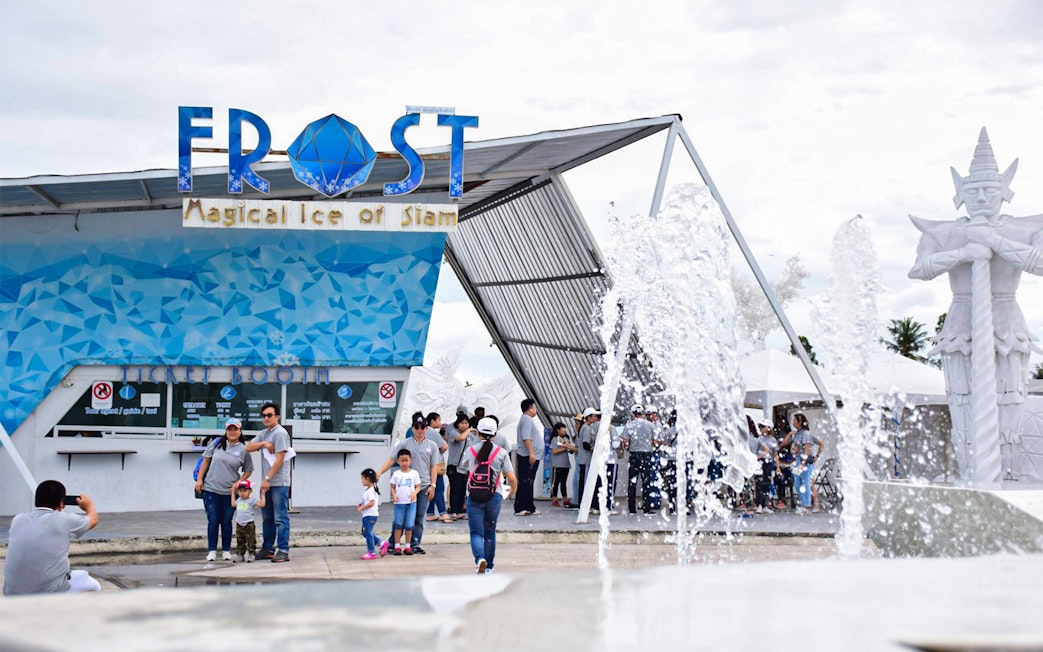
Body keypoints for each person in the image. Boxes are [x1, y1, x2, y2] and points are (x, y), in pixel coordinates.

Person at [908, 128, 1043, 481]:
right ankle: (970, 473)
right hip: (962, 318)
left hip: (1006, 316)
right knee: (962, 399)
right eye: (974, 191)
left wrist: (995, 241)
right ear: (961, 195)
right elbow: (918, 270)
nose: (982, 197)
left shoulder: (1025, 229)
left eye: (989, 190)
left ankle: (1008, 475)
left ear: (1004, 192)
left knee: (1009, 399)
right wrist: (962, 252)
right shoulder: (944, 233)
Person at [4, 480, 101, 595]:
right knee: (94, 586)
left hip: (11, 594)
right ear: (61, 503)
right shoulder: (65, 520)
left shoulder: (18, 519)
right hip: (49, 594)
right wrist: (90, 506)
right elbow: (93, 520)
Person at [376, 416, 440, 554]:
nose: (419, 430)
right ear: (412, 428)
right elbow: (392, 459)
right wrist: (380, 472)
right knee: (399, 518)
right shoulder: (404, 444)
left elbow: (434, 466)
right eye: (417, 427)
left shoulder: (432, 446)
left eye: (422, 427)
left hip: (423, 486)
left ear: (427, 429)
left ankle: (414, 544)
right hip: (404, 487)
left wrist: (433, 485)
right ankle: (393, 543)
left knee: (419, 516)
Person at [463, 416, 518, 574]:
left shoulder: (470, 451)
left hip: (474, 495)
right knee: (490, 531)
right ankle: (489, 567)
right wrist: (512, 491)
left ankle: (480, 559)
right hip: (494, 495)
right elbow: (511, 477)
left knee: (476, 532)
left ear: (478, 432)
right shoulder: (501, 452)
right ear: (495, 434)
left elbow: (464, 468)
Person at [196, 417, 253, 561]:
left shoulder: (244, 450)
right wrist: (199, 480)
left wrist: (238, 483)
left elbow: (248, 470)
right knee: (213, 520)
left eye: (235, 429)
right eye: (229, 429)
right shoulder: (216, 444)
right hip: (211, 489)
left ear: (240, 431)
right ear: (226, 431)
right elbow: (205, 461)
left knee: (227, 521)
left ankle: (226, 550)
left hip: (230, 492)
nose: (232, 432)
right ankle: (212, 551)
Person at [244, 402, 290, 563]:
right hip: (267, 483)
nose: (266, 418)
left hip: (278, 483)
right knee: (267, 517)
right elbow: (248, 447)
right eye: (263, 415)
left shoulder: (280, 433)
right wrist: (263, 443)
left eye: (269, 415)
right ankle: (268, 549)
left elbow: (280, 459)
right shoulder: (264, 433)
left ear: (277, 416)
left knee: (280, 518)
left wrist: (267, 479)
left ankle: (283, 550)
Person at [623, 404, 661, 514]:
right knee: (646, 482)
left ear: (632, 413)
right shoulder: (650, 425)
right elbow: (655, 442)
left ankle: (632, 508)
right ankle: (646, 508)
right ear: (643, 413)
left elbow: (626, 443)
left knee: (632, 482)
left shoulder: (629, 425)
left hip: (634, 455)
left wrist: (630, 448)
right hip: (646, 455)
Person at [389, 449, 422, 555]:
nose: (404, 463)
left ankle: (408, 546)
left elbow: (418, 486)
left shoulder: (414, 473)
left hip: (411, 503)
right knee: (398, 524)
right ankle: (397, 546)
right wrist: (394, 495)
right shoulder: (396, 474)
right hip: (399, 504)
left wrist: (414, 493)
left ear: (410, 461)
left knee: (409, 525)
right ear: (398, 461)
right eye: (402, 460)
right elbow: (392, 487)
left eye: (406, 460)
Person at [514, 398, 544, 516]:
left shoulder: (527, 419)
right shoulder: (526, 419)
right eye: (535, 407)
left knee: (529, 482)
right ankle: (520, 507)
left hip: (530, 455)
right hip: (527, 456)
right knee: (525, 481)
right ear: (530, 408)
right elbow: (526, 437)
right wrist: (531, 453)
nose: (536, 410)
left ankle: (529, 506)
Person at [790, 412, 824, 514]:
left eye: (795, 420)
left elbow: (806, 449)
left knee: (805, 482)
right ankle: (802, 503)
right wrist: (794, 450)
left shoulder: (806, 434)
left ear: (800, 422)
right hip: (797, 459)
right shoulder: (797, 433)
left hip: (804, 461)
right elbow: (795, 447)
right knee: (797, 482)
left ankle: (807, 505)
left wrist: (814, 457)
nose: (793, 422)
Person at [423, 412, 452, 523]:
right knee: (439, 488)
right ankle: (443, 513)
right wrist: (439, 452)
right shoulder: (432, 432)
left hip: (426, 464)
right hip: (435, 464)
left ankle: (430, 513)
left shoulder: (424, 431)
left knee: (431, 488)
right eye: (438, 420)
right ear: (432, 421)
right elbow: (444, 446)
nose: (440, 422)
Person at [446, 412, 474, 519]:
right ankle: (453, 511)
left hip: (465, 467)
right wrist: (469, 430)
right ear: (457, 424)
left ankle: (459, 511)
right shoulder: (453, 433)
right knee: (455, 489)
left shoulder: (470, 436)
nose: (464, 425)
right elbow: (460, 438)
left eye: (466, 423)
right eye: (462, 423)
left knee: (462, 490)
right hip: (454, 466)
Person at [358, 468, 389, 560]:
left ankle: (371, 552)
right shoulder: (368, 490)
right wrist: (361, 504)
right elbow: (368, 501)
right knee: (365, 532)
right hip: (368, 515)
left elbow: (372, 503)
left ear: (367, 479)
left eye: (362, 478)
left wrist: (362, 508)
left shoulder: (370, 491)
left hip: (369, 515)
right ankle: (381, 543)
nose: (362, 481)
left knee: (368, 533)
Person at [233, 479, 265, 562]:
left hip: (249, 523)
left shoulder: (252, 500)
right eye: (240, 491)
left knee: (250, 539)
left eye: (244, 491)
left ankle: (251, 554)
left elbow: (262, 504)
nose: (242, 493)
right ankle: (240, 554)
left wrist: (263, 495)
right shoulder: (238, 500)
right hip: (239, 523)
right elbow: (233, 504)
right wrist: (232, 493)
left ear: (250, 491)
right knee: (240, 539)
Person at [753, 419, 780, 514]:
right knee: (759, 483)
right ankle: (759, 504)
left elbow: (775, 454)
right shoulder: (758, 438)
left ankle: (764, 504)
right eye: (760, 426)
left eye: (763, 426)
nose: (761, 428)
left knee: (767, 483)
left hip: (768, 462)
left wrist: (778, 467)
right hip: (760, 461)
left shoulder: (772, 440)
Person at [549, 422, 576, 507]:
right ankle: (554, 499)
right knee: (556, 481)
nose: (564, 430)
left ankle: (565, 499)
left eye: (565, 428)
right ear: (558, 430)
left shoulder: (566, 438)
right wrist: (564, 449)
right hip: (558, 464)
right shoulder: (554, 439)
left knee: (564, 482)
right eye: (562, 428)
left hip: (565, 464)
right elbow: (554, 451)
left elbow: (570, 450)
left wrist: (570, 448)